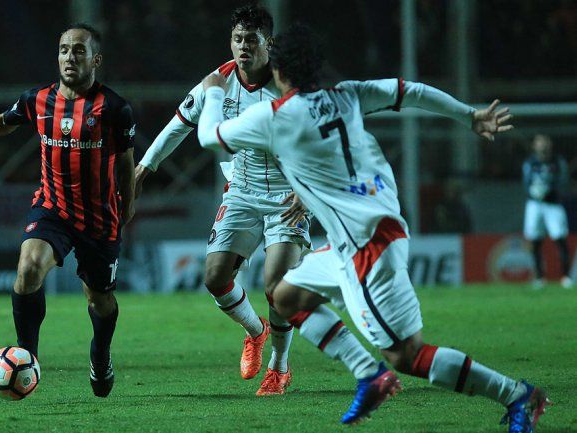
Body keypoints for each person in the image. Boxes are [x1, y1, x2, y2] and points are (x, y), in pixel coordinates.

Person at [197, 24, 550, 432]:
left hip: (367, 248)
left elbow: (209, 137)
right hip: (366, 234)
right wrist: (468, 115)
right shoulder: (347, 94)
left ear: (278, 70)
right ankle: (369, 375)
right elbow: (410, 91)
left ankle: (518, 396)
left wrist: (214, 91)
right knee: (286, 294)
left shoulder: (275, 116)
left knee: (408, 356)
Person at [135, 4, 353, 397]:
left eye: (251, 40)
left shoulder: (289, 82)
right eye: (237, 39)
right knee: (215, 277)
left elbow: (329, 139)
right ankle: (256, 332)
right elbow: (178, 125)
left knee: (277, 286)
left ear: (268, 43)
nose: (243, 47)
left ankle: (279, 367)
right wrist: (144, 167)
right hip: (242, 191)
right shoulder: (217, 82)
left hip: (289, 197)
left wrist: (309, 192)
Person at [0, 23, 136, 399]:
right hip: (52, 209)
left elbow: (126, 164)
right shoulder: (38, 99)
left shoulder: (114, 108)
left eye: (79, 50)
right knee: (28, 267)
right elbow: (2, 123)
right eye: (64, 49)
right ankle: (26, 355)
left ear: (95, 59)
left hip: (99, 219)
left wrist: (126, 208)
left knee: (99, 300)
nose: (70, 57)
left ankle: (101, 353)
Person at [522, 134, 572, 289]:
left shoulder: (557, 162)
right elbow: (526, 182)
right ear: (534, 146)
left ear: (550, 145)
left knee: (560, 238)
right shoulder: (530, 163)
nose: (543, 146)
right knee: (535, 240)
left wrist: (550, 189)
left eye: (545, 142)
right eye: (539, 142)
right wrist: (534, 191)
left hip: (553, 204)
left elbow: (564, 181)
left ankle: (566, 277)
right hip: (535, 204)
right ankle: (539, 277)